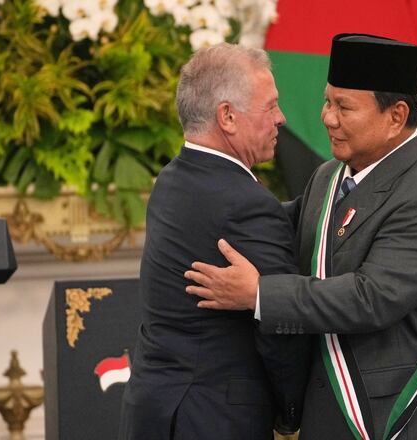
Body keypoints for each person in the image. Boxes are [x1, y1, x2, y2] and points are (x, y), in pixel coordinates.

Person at [185, 34, 417, 440]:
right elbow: (270, 227)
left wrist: (259, 295)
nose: (327, 117)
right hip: (329, 415)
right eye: (328, 101)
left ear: (396, 116)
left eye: (344, 107)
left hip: (403, 418)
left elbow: (370, 299)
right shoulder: (329, 176)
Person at [119, 43, 310, 440]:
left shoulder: (171, 180)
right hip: (215, 420)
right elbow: (282, 331)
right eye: (270, 106)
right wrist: (291, 413)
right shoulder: (248, 204)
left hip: (154, 411)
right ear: (227, 116)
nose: (281, 118)